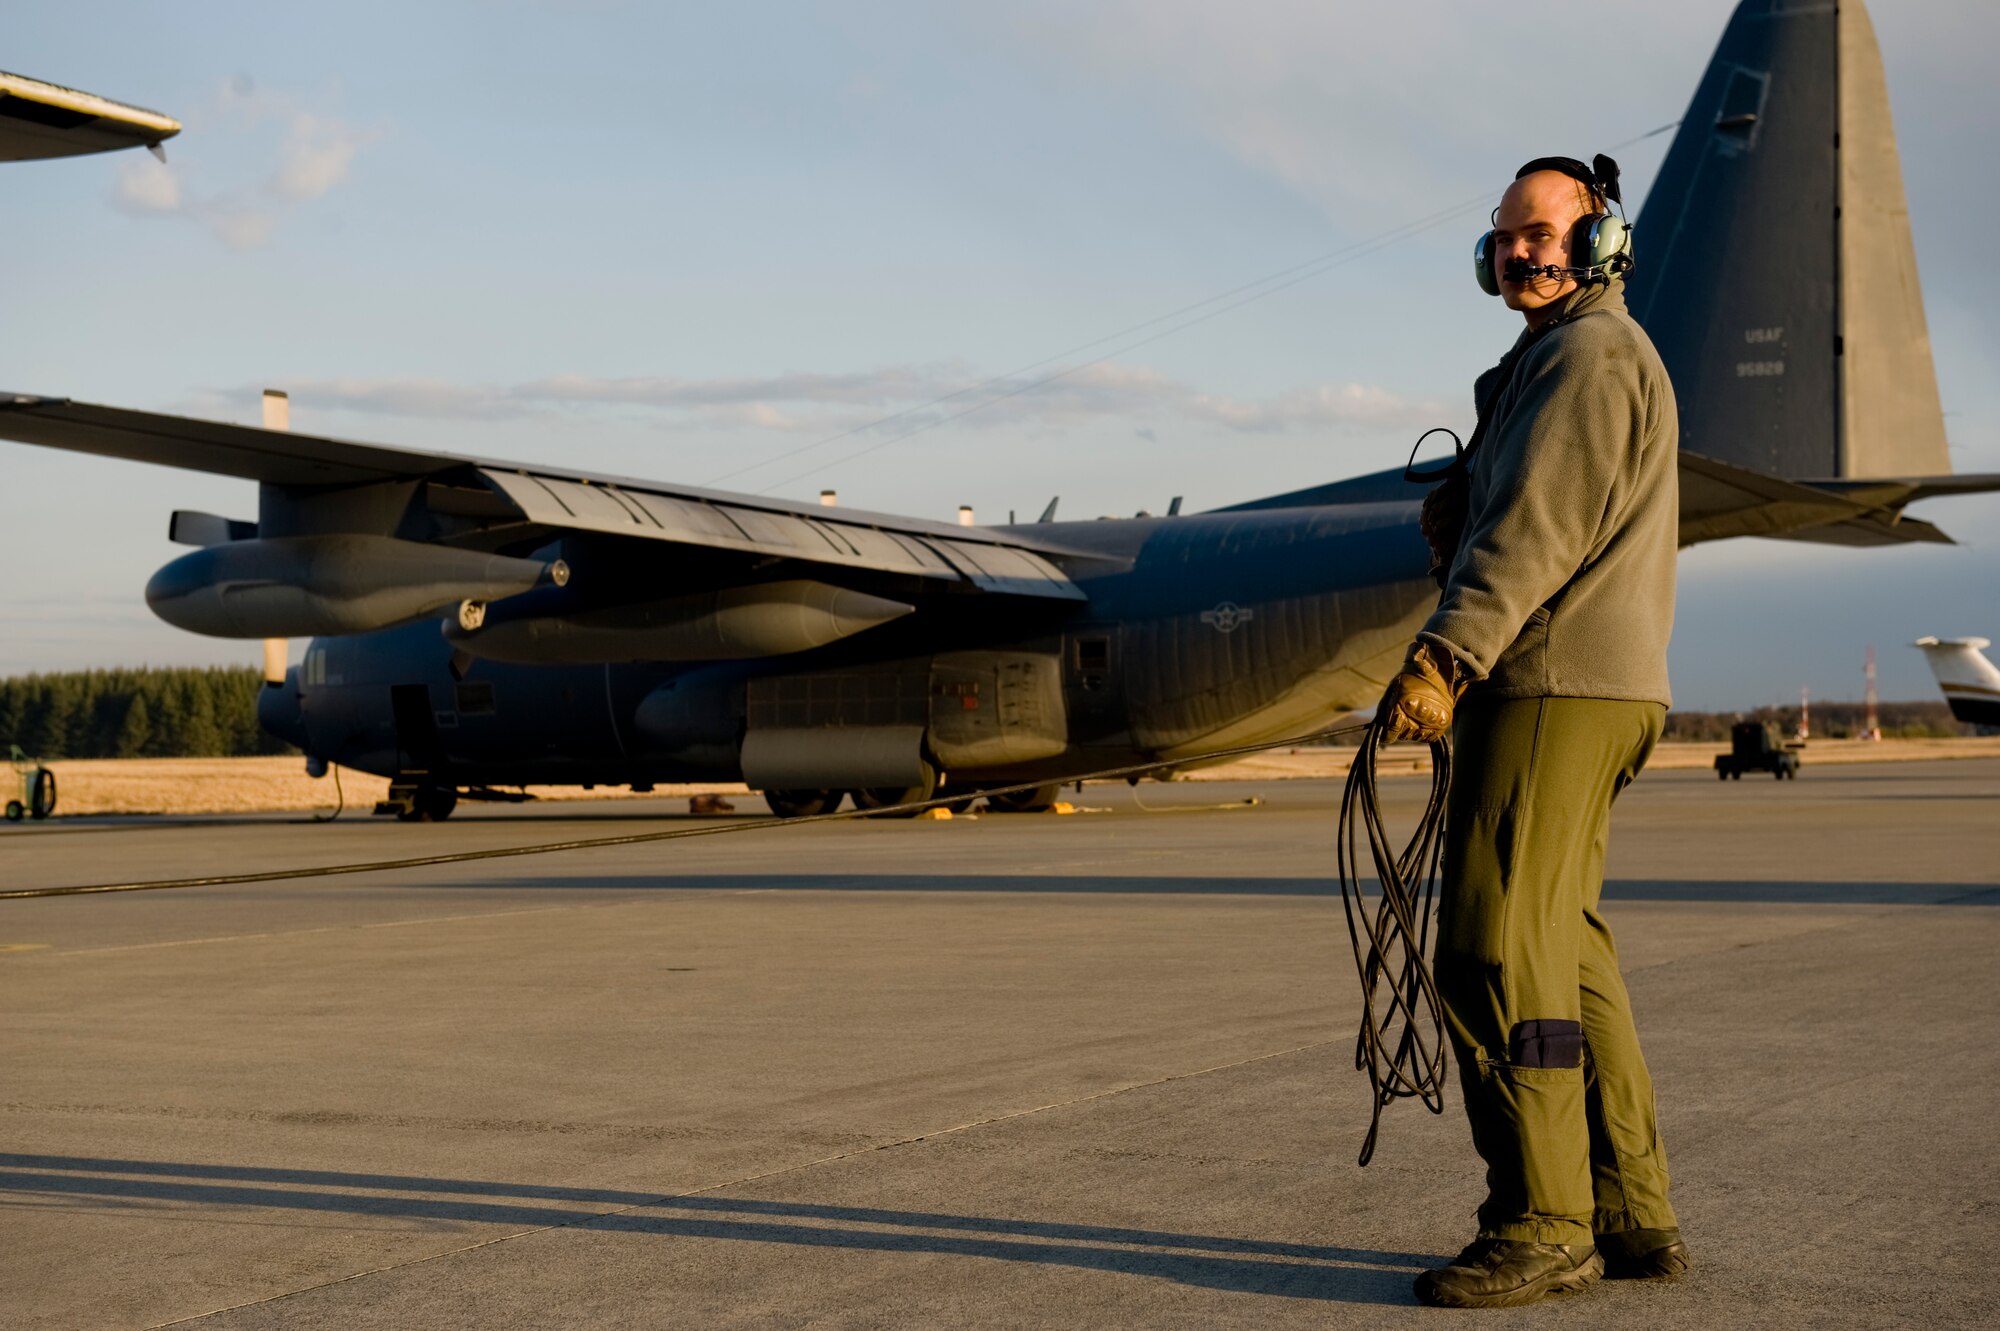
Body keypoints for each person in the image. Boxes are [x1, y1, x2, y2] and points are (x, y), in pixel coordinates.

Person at [1377, 155, 1688, 1310]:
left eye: (1542, 230)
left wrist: (1445, 655)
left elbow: (1538, 530)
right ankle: (1627, 1209)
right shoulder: (1551, 361)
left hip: (1550, 682)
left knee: (1492, 947)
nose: (1519, 250)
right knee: (1567, 945)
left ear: (1598, 240)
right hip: (1597, 682)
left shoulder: (1586, 356)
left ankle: (1541, 1218)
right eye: (1505, 235)